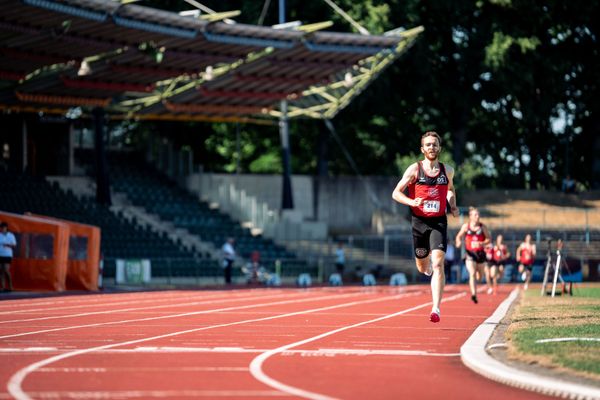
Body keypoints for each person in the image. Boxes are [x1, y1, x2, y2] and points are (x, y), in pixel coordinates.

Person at [392, 131, 459, 323]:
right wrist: (412, 202)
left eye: (435, 144)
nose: (432, 147)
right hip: (419, 222)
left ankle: (436, 308)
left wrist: (452, 204)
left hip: (438, 222)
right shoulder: (414, 170)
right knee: (422, 266)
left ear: (440, 148)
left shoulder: (448, 170)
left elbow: (450, 190)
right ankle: (426, 266)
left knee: (438, 264)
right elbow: (396, 193)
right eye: (428, 145)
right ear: (422, 149)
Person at [455, 207, 491, 304]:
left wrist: (482, 243)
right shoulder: (466, 227)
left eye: (478, 214)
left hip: (480, 254)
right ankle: (474, 294)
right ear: (470, 216)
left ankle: (475, 286)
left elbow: (488, 239)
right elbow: (458, 236)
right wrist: (458, 241)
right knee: (472, 273)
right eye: (475, 215)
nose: (478, 216)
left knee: (479, 277)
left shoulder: (482, 227)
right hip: (470, 253)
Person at [0, 222, 17, 292]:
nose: (2, 229)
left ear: (6, 228)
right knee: (1, 271)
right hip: (0, 254)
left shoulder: (11, 235)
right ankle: (3, 287)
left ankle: (10, 286)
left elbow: (14, 245)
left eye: (4, 227)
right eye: (1, 228)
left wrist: (7, 245)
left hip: (7, 255)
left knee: (6, 270)